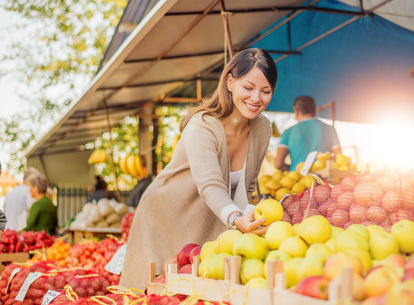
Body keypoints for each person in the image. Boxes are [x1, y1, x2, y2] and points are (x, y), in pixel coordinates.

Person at [120, 48, 277, 290]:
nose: (256, 98)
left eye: (265, 91)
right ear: (230, 82)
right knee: (152, 291)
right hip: (166, 216)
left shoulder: (262, 128)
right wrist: (236, 218)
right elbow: (210, 184)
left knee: (198, 290)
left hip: (209, 220)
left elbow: (248, 184)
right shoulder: (203, 125)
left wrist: (258, 216)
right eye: (248, 88)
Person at [274, 96, 341, 171]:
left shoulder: (288, 132)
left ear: (296, 111)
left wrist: (293, 168)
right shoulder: (330, 129)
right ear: (315, 111)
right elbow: (339, 159)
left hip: (298, 180)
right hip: (324, 180)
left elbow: (278, 164)